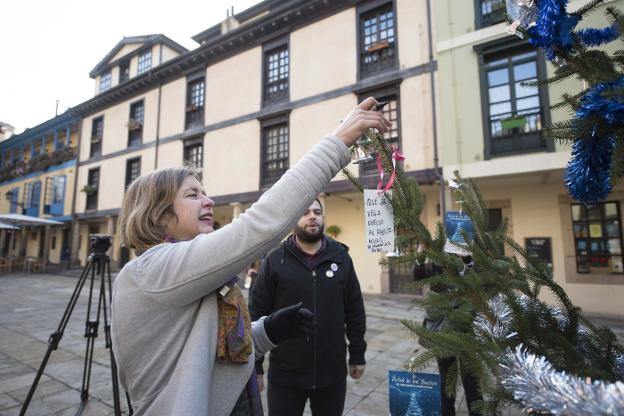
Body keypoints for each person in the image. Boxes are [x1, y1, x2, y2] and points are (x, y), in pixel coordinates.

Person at [110, 97, 391, 416]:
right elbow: (259, 226)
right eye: (193, 195)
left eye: (205, 192)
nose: (209, 201)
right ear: (157, 215)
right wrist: (340, 140)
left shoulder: (179, 272)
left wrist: (267, 330)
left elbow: (212, 356)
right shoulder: (151, 270)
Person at [249, 198, 367, 416]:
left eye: (317, 212)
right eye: (305, 212)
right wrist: (255, 367)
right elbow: (257, 313)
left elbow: (355, 309)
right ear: (294, 220)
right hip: (285, 375)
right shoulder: (276, 260)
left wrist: (357, 354)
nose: (312, 216)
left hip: (332, 375)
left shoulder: (340, 257)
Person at [413, 240, 483, 416]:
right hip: (442, 330)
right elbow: (419, 276)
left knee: (472, 381)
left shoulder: (467, 262)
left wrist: (468, 259)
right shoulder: (435, 267)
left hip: (467, 332)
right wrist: (420, 258)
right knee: (447, 381)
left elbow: (479, 278)